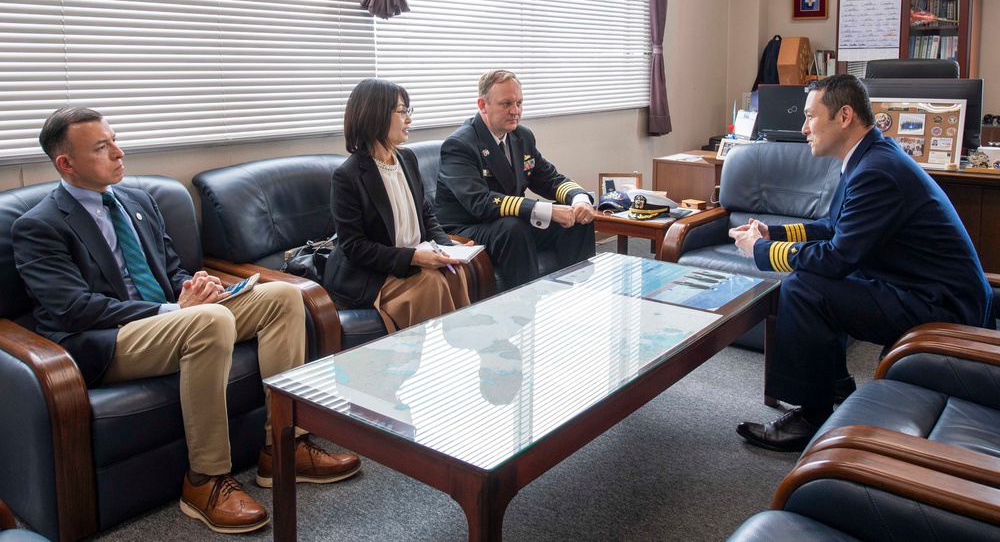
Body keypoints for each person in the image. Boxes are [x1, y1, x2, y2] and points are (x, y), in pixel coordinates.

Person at [12, 107, 361, 535]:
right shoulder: (39, 225)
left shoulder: (138, 201)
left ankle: (283, 446)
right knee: (209, 321)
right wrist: (177, 310)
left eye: (115, 140)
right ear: (66, 163)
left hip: (174, 318)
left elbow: (171, 269)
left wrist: (193, 285)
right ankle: (205, 480)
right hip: (107, 340)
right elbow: (73, 308)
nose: (119, 153)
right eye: (103, 148)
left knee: (284, 296)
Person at [731, 74, 994, 452]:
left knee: (804, 287)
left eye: (810, 116)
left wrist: (760, 251)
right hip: (928, 291)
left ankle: (810, 416)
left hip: (944, 307)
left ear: (844, 116)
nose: (803, 127)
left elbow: (838, 257)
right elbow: (835, 227)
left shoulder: (875, 171)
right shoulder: (869, 157)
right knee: (810, 281)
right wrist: (773, 233)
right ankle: (834, 384)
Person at [323, 78, 471, 332]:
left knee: (455, 273)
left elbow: (425, 212)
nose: (409, 119)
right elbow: (355, 248)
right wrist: (412, 257)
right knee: (430, 283)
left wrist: (446, 249)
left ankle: (463, 351)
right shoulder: (347, 176)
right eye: (402, 111)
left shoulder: (407, 158)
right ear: (376, 115)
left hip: (414, 258)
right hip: (372, 273)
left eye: (408, 111)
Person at [434, 70, 596, 288]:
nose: (515, 111)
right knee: (513, 229)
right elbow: (480, 202)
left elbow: (549, 178)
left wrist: (579, 199)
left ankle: (578, 295)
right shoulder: (460, 145)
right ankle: (523, 309)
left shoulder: (521, 136)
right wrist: (547, 210)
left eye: (519, 103)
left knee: (577, 221)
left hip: (508, 223)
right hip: (466, 229)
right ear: (483, 105)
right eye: (506, 104)